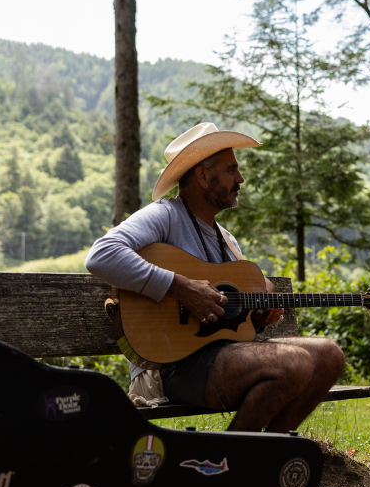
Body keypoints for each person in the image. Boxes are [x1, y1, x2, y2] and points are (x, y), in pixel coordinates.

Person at [85, 122, 346, 433]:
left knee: (330, 355)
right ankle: (232, 459)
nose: (241, 178)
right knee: (295, 362)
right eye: (231, 169)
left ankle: (269, 451)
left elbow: (246, 297)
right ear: (204, 175)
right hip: (177, 364)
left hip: (225, 354)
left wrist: (261, 309)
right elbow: (101, 254)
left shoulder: (226, 238)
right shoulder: (165, 215)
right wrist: (180, 287)